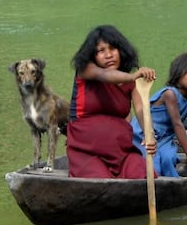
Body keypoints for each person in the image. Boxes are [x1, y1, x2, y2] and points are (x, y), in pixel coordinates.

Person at [67, 25, 157, 179]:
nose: (108, 55)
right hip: (87, 152)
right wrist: (133, 76)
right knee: (101, 182)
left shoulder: (132, 83)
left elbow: (141, 109)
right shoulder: (86, 70)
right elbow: (104, 75)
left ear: (121, 51)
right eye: (101, 51)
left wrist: (149, 134)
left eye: (113, 49)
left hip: (121, 151)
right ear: (93, 56)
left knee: (143, 174)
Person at [131, 52, 187, 177]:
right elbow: (177, 124)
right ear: (178, 74)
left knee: (169, 158)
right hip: (144, 135)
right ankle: (154, 186)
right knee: (153, 164)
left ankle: (172, 185)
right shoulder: (170, 94)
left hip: (164, 137)